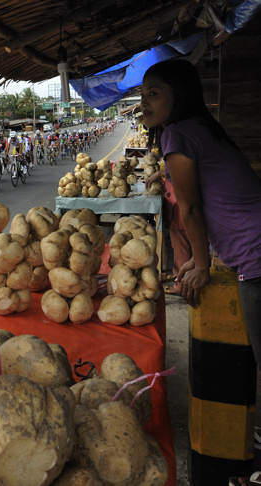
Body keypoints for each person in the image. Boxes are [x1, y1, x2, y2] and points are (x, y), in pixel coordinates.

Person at [140, 59, 261, 485]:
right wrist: (197, 258)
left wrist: (203, 265)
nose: (143, 102)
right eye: (143, 93)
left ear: (180, 95)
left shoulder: (178, 133)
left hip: (256, 256)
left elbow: (189, 206)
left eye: (154, 93)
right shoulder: (201, 128)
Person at [145, 158, 191, 295]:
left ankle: (180, 285)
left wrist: (159, 174)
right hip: (182, 204)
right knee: (181, 246)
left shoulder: (182, 158)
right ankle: (179, 276)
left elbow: (178, 171)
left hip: (180, 206)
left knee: (181, 248)